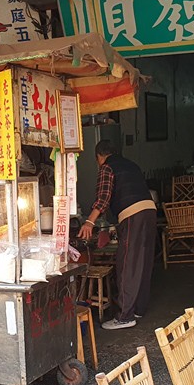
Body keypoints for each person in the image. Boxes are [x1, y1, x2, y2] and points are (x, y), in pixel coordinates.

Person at [77, 140, 157, 330]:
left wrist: (89, 222)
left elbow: (103, 198)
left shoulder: (107, 167)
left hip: (133, 215)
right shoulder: (131, 165)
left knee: (127, 264)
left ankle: (124, 316)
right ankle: (138, 309)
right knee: (143, 262)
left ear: (99, 156)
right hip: (150, 211)